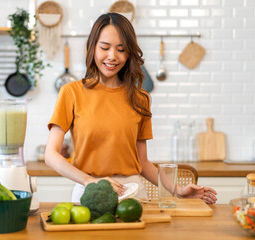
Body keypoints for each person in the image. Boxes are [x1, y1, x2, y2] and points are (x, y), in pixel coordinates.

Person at [45, 12, 217, 204]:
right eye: (104, 47)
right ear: (92, 48)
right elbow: (51, 155)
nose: (112, 56)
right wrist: (91, 181)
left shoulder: (140, 98)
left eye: (121, 49)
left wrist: (177, 190)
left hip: (133, 194)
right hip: (89, 191)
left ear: (129, 54)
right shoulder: (71, 92)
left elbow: (142, 163)